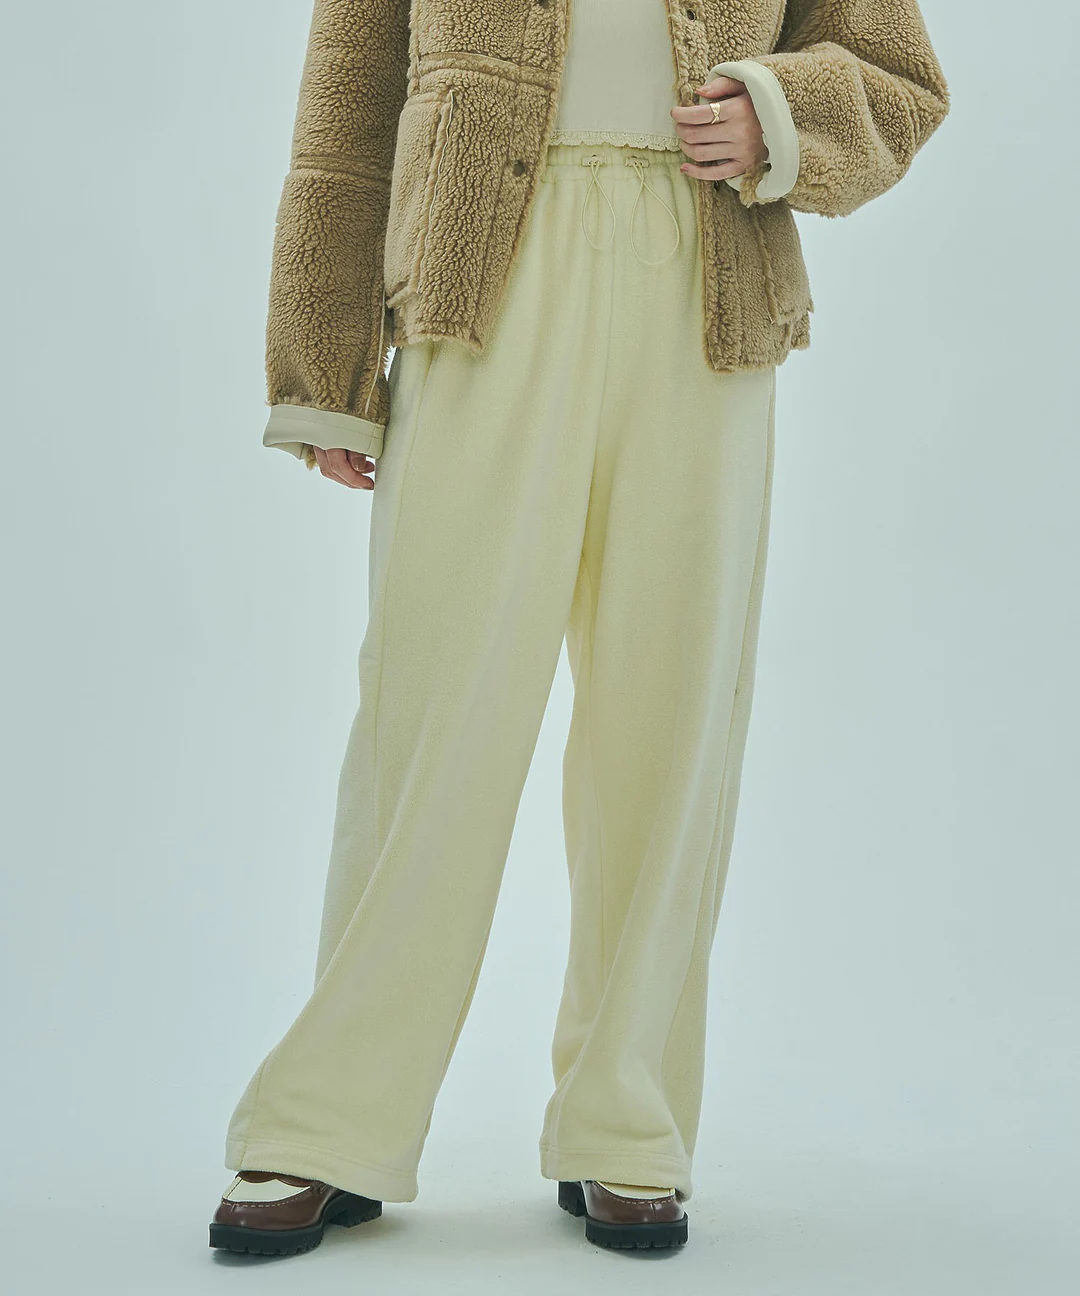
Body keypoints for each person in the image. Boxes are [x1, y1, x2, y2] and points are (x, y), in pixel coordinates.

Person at [209, 0, 949, 1258]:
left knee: (670, 719)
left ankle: (625, 1122)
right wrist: (324, 364)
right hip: (480, 281)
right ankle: (330, 1121)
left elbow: (898, 75)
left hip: (705, 279)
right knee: (430, 716)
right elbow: (346, 112)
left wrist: (777, 116)